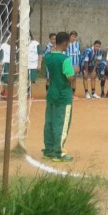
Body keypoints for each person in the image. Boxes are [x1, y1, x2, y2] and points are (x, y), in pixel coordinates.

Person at [42, 31, 76, 162]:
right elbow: (70, 77)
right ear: (65, 43)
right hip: (63, 95)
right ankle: (59, 152)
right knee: (61, 124)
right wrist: (75, 72)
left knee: (49, 122)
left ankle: (48, 150)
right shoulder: (65, 59)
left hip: (51, 94)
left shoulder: (49, 56)